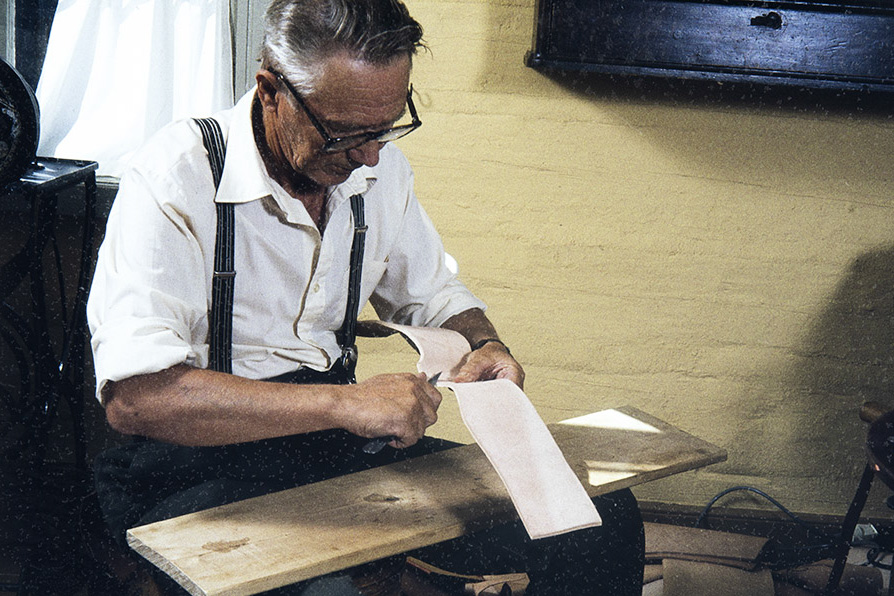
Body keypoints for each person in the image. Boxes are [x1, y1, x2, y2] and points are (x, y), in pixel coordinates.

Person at [87, 0, 644, 594]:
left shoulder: (378, 171)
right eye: (344, 133)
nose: (369, 155)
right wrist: (346, 403)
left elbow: (433, 295)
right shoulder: (177, 174)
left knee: (601, 516)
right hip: (192, 468)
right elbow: (137, 400)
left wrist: (484, 343)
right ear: (271, 91)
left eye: (386, 127)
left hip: (332, 451)